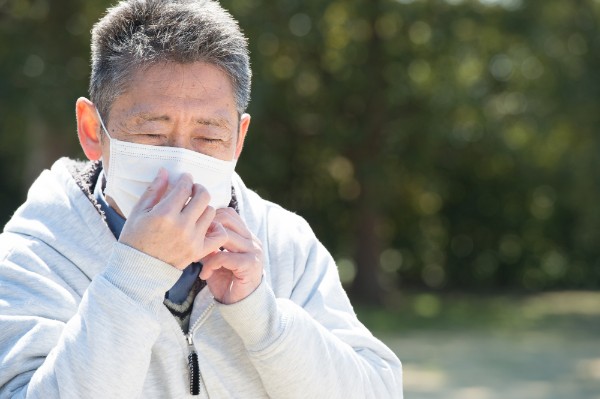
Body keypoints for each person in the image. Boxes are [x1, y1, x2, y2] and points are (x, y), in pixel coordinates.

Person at [0, 0, 403, 397]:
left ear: (238, 140)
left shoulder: (284, 243)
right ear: (92, 130)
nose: (181, 161)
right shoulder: (32, 259)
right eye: (152, 133)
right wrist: (133, 277)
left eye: (208, 137)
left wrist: (263, 317)